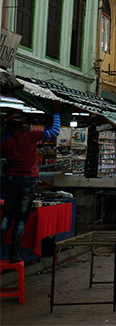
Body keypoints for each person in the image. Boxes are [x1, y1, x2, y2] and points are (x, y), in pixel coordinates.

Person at [1, 106, 61, 263]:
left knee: (7, 216)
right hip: (28, 181)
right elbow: (55, 131)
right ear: (23, 125)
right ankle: (14, 254)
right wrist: (56, 112)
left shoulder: (5, 142)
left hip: (11, 180)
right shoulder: (30, 136)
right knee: (21, 219)